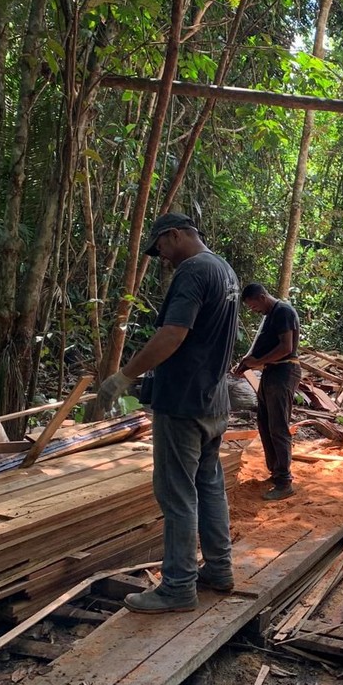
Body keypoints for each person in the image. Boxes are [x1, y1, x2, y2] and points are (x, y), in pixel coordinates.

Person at [95, 211, 240, 613]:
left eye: (159, 247)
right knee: (209, 487)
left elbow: (174, 334)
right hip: (213, 402)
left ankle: (178, 587)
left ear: (175, 235)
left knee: (176, 494)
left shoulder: (193, 271)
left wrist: (123, 377)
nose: (160, 257)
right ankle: (219, 569)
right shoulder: (224, 270)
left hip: (183, 404)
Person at [234, 283, 301, 501]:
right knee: (264, 423)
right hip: (272, 373)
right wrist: (248, 362)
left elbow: (285, 348)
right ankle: (276, 473)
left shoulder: (283, 312)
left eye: (255, 307)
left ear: (263, 297)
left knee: (278, 427)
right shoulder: (271, 315)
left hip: (284, 371)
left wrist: (257, 362)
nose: (255, 311)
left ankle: (284, 481)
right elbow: (263, 347)